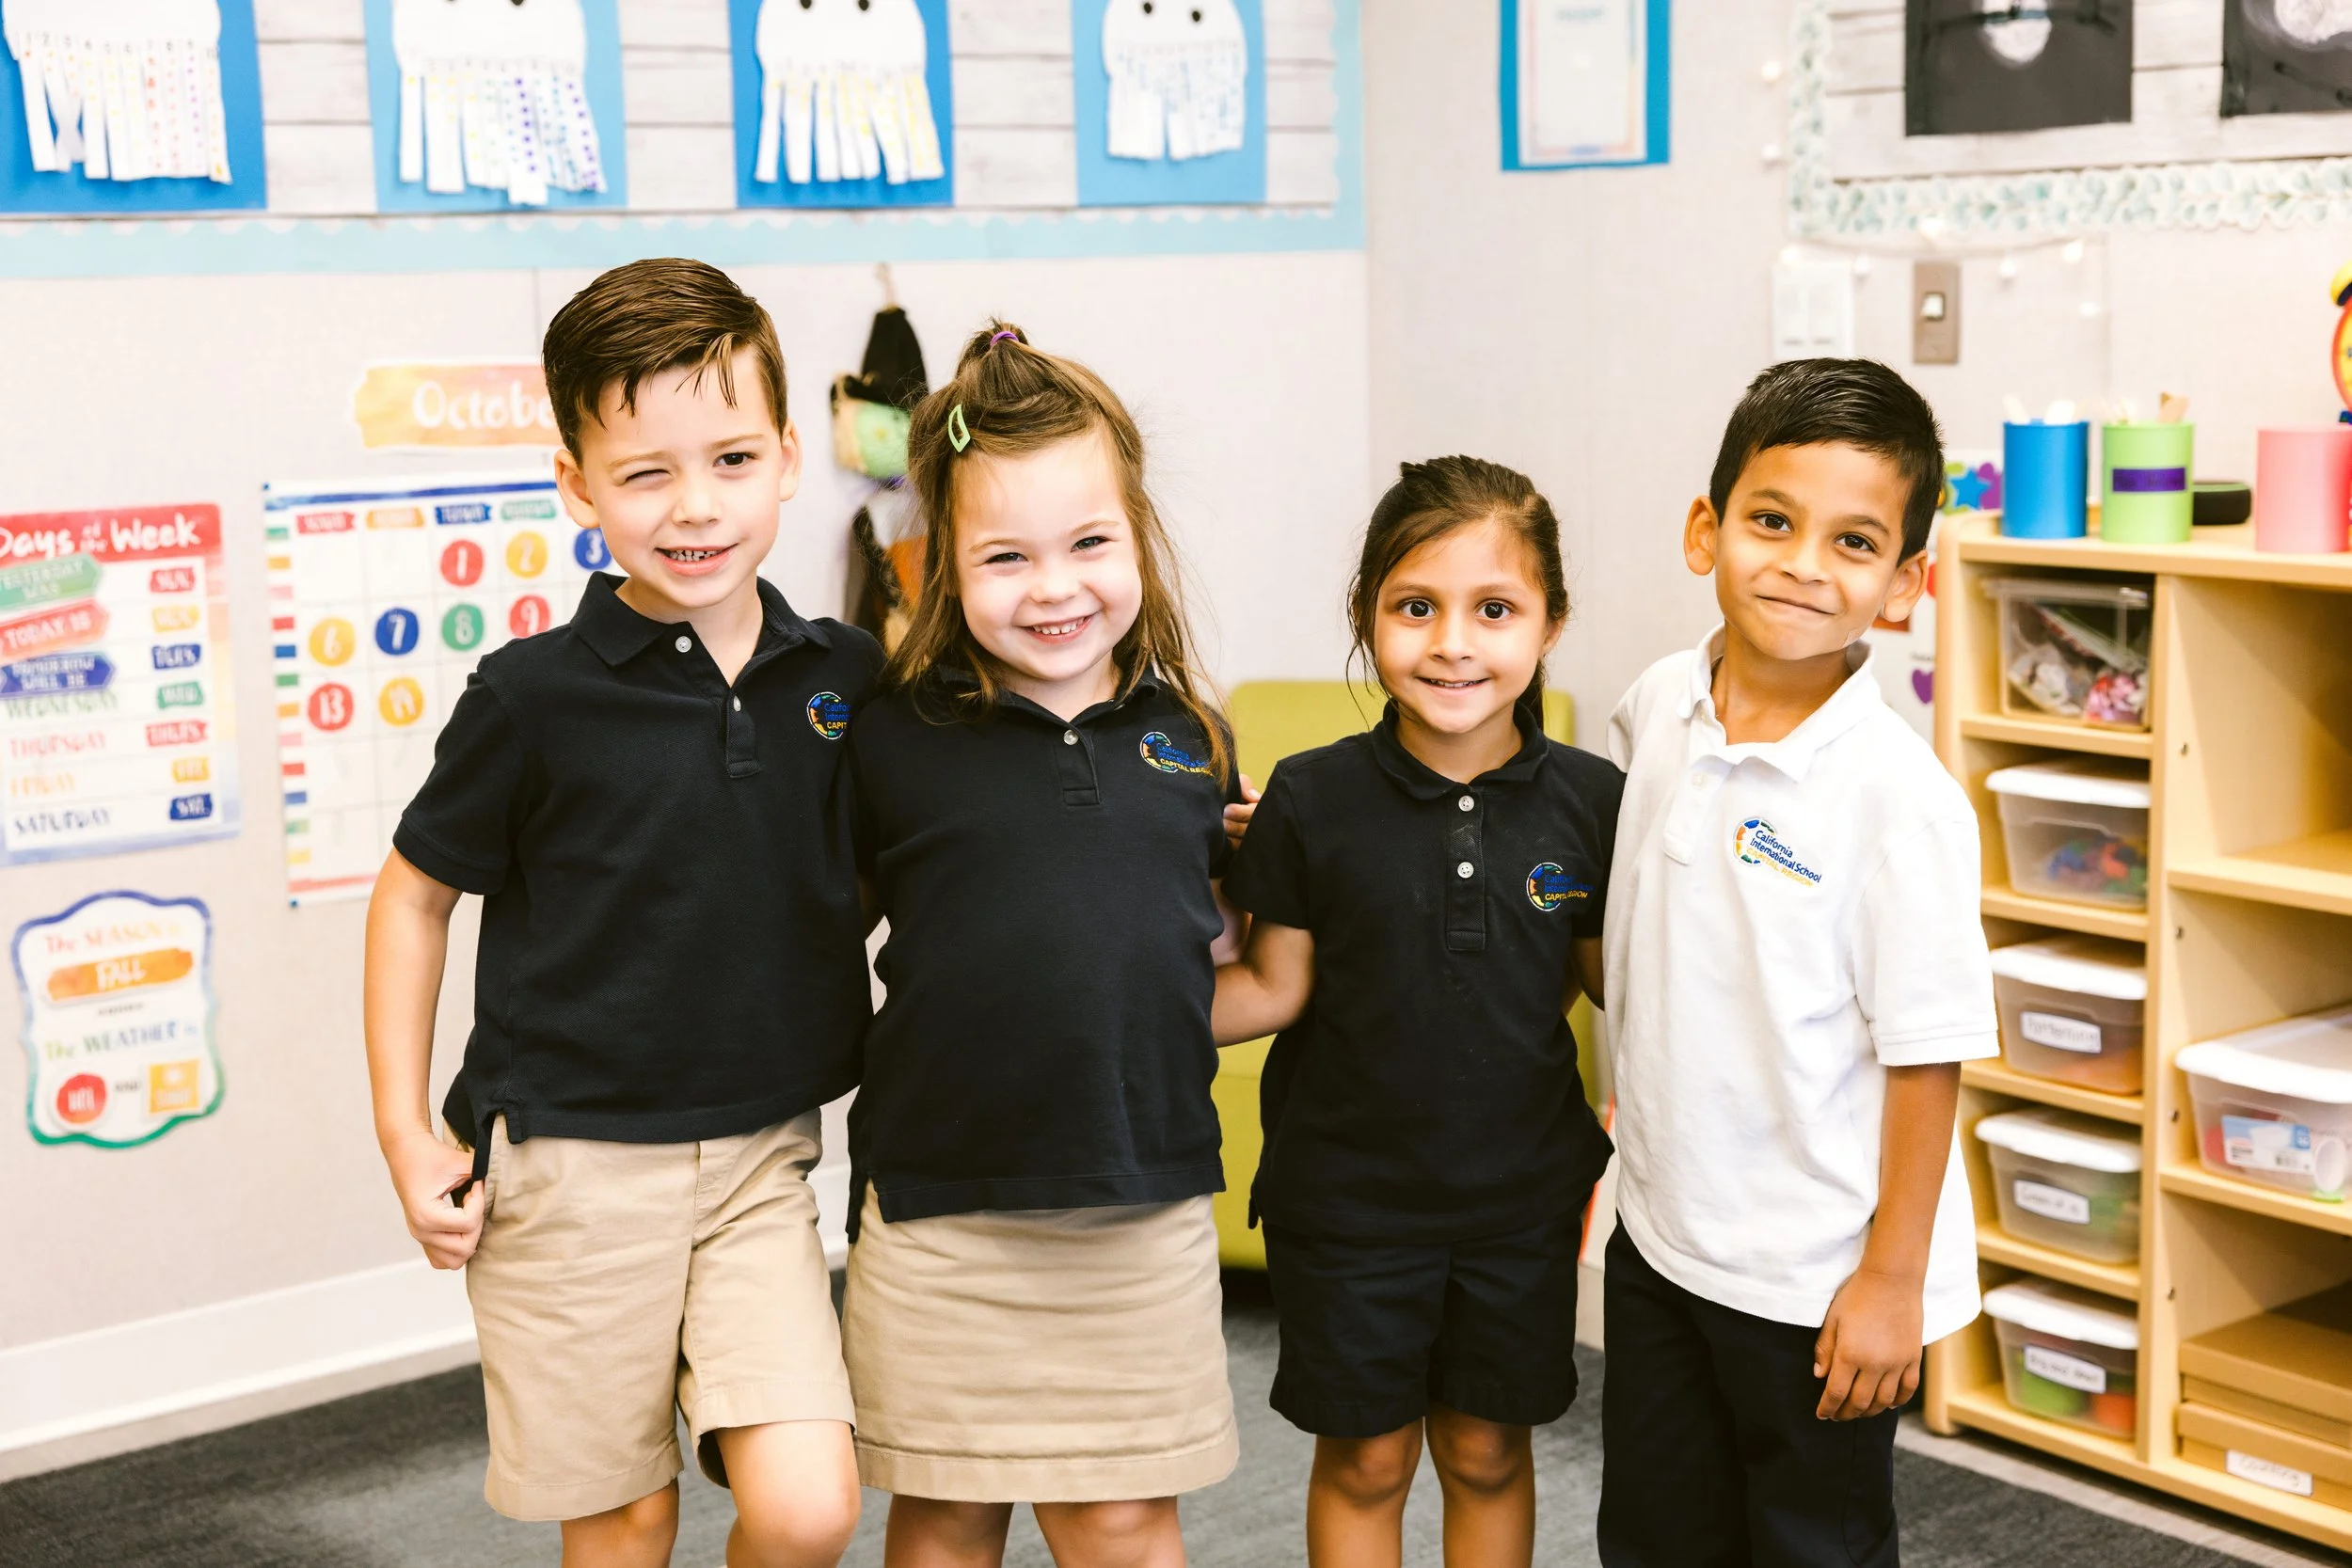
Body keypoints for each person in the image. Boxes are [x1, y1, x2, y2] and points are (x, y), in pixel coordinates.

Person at [362, 258, 877, 1568]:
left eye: (730, 457)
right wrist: (403, 1129)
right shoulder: (534, 696)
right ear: (578, 485)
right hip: (567, 1169)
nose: (695, 505)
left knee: (811, 1502)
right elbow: (414, 896)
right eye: (646, 472)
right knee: (627, 1521)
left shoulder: (848, 677)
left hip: (765, 1158)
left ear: (787, 459)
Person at [840, 322, 1242, 1568]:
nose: (1055, 586)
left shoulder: (1195, 740)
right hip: (943, 1209)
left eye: (1089, 543)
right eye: (1004, 555)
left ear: (1139, 535)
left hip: (1140, 1202)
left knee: (1126, 1522)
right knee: (948, 1516)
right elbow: (804, 938)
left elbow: (1213, 960)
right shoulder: (890, 735)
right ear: (944, 563)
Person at [1597, 358, 1997, 1567]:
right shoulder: (1656, 703)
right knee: (1657, 1535)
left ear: (1902, 587)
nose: (1802, 563)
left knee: (1808, 1544)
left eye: (1854, 540)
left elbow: (1926, 1055)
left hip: (1817, 1280)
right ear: (1704, 529)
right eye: (1771, 521)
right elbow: (1657, 927)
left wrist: (1892, 1280)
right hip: (1662, 1237)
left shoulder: (1899, 801)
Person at [1213, 456, 1620, 1568]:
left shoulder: (1594, 800)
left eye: (1494, 609)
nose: (1453, 642)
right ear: (1368, 616)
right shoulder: (1308, 793)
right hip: (1345, 1205)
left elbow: (1615, 986)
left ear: (1550, 622)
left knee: (1489, 1450)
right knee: (1368, 1460)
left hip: (1521, 1198)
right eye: (1415, 607)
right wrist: (1095, 1010)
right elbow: (1269, 986)